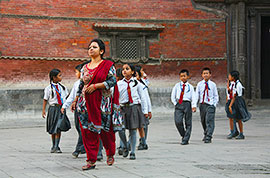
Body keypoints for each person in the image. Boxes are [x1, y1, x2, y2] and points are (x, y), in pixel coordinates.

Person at [71, 39, 122, 170]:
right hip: (85, 103)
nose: (91, 49)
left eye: (94, 47)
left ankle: (110, 152)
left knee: (105, 130)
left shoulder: (108, 65)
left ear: (101, 51)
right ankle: (91, 160)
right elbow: (81, 85)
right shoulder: (84, 68)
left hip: (102, 103)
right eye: (89, 47)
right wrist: (75, 100)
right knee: (87, 132)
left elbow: (112, 81)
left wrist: (96, 86)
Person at [117, 63, 148, 160]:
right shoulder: (118, 84)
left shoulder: (137, 84)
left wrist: (145, 111)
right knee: (120, 129)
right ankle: (125, 145)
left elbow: (143, 98)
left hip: (134, 107)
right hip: (122, 108)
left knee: (133, 130)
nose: (124, 71)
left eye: (127, 69)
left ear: (133, 71)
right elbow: (115, 96)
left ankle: (133, 152)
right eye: (123, 69)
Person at [60, 64, 87, 158]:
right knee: (79, 127)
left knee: (82, 128)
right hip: (78, 108)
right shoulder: (77, 84)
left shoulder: (88, 83)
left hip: (86, 108)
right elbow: (72, 96)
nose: (76, 74)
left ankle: (78, 149)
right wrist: (65, 106)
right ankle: (84, 146)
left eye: (76, 72)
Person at [42, 69, 69, 153]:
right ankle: (53, 145)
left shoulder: (63, 87)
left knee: (58, 127)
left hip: (60, 108)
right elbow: (45, 99)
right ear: (54, 77)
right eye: (59, 76)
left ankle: (57, 146)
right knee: (53, 127)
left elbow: (67, 97)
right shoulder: (48, 88)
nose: (61, 77)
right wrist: (43, 110)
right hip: (53, 109)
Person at [171, 69, 196, 145]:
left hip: (187, 104)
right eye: (181, 76)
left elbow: (193, 97)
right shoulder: (177, 86)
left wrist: (193, 106)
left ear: (188, 76)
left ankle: (185, 139)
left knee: (188, 122)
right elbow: (173, 95)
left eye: (184, 76)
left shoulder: (190, 87)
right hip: (179, 103)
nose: (183, 78)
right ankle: (184, 135)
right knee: (178, 121)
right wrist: (176, 103)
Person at [195, 67, 219, 143]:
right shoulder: (199, 84)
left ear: (210, 75)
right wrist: (194, 105)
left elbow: (216, 95)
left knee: (210, 120)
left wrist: (214, 104)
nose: (205, 75)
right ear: (202, 75)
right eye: (204, 73)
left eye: (207, 73)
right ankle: (206, 133)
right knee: (203, 120)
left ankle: (209, 136)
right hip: (202, 104)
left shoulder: (213, 85)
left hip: (210, 104)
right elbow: (197, 95)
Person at [226, 70, 251, 139]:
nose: (229, 77)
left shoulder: (238, 84)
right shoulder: (231, 83)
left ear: (233, 77)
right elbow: (229, 93)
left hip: (237, 102)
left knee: (238, 118)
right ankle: (233, 131)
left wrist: (230, 105)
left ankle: (241, 133)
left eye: (230, 76)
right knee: (231, 117)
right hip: (231, 101)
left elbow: (235, 96)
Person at [135, 65, 152, 150]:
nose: (143, 72)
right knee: (138, 126)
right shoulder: (135, 84)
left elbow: (146, 98)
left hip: (144, 107)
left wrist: (148, 110)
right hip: (137, 107)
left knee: (144, 125)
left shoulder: (143, 83)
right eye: (141, 70)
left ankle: (143, 142)